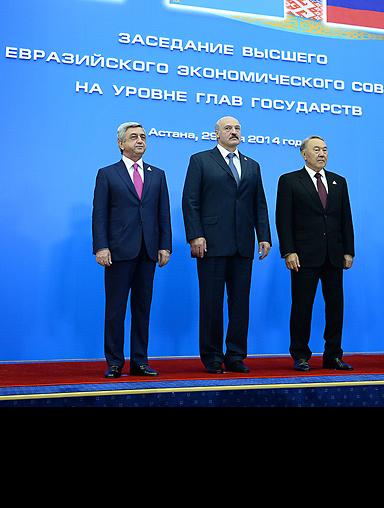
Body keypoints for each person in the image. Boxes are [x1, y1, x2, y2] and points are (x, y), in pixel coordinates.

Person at [181, 116, 271, 374]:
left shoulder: (252, 165)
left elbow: (259, 204)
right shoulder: (200, 160)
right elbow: (191, 200)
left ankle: (235, 355)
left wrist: (263, 235)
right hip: (210, 243)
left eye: (237, 128)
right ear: (216, 133)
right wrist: (195, 235)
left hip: (243, 244)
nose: (234, 132)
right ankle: (211, 356)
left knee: (240, 303)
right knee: (211, 302)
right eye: (228, 128)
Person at [92, 122, 172, 379]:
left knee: (142, 309)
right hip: (118, 251)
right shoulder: (107, 174)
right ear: (120, 143)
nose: (140, 140)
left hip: (148, 251)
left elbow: (163, 213)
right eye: (134, 137)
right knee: (115, 309)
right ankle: (114, 362)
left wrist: (164, 245)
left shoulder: (157, 174)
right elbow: (100, 214)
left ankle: (140, 361)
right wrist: (101, 247)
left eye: (143, 137)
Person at [275, 136, 355, 371]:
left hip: (334, 255)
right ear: (304, 154)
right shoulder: (289, 181)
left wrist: (348, 250)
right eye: (316, 149)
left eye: (325, 149)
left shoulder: (339, 181)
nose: (322, 153)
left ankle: (333, 355)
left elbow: (345, 219)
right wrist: (288, 251)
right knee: (302, 307)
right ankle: (300, 355)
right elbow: (283, 219)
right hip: (304, 256)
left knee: (335, 307)